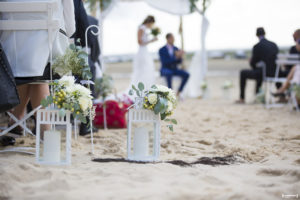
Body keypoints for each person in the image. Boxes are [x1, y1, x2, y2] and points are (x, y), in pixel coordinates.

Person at [0, 0, 75, 135]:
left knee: (29, 68)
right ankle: (45, 132)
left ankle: (16, 122)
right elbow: (70, 27)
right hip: (48, 54)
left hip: (9, 58)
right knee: (38, 70)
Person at [73, 0, 100, 136]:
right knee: (88, 70)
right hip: (69, 54)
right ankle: (86, 123)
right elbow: (87, 35)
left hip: (20, 61)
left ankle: (32, 122)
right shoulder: (74, 1)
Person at [236, 27, 279, 104]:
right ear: (264, 33)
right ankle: (282, 96)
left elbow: (253, 63)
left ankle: (242, 98)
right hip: (275, 73)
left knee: (244, 73)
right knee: (261, 71)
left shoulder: (257, 46)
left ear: (256, 35)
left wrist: (253, 65)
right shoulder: (273, 45)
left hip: (263, 73)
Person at [130, 15, 157, 90]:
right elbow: (139, 42)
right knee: (142, 69)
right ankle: (141, 87)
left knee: (147, 69)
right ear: (150, 22)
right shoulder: (142, 28)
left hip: (145, 50)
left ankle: (146, 87)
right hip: (142, 51)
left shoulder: (144, 28)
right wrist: (151, 41)